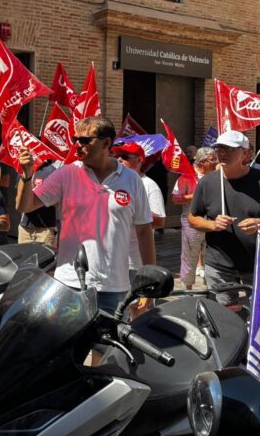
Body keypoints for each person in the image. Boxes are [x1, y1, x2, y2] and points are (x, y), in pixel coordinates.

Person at [16, 116, 155, 314]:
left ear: (107, 143)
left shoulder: (131, 179)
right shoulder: (66, 174)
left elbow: (144, 231)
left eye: (84, 140)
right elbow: (25, 206)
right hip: (69, 284)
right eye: (75, 140)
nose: (77, 146)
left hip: (114, 289)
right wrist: (26, 176)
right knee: (67, 344)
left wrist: (150, 280)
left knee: (107, 346)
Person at [188, 131, 260, 305]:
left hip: (258, 263)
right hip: (219, 264)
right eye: (219, 148)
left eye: (229, 149)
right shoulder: (207, 182)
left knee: (259, 311)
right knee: (226, 315)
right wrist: (211, 224)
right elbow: (193, 218)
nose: (222, 153)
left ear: (246, 153)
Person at [112, 142, 165, 279]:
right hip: (113, 260)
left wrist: (135, 214)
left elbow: (160, 221)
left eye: (124, 157)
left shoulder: (149, 185)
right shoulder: (115, 182)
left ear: (140, 160)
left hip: (135, 262)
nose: (119, 159)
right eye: (118, 156)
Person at [172, 147, 217, 289]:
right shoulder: (186, 177)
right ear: (202, 161)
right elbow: (175, 199)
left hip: (212, 221)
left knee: (214, 256)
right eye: (213, 159)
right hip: (191, 221)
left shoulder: (217, 177)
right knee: (190, 256)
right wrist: (196, 195)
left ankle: (213, 287)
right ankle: (188, 289)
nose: (216, 162)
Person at [17, 160, 60, 250]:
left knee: (45, 262)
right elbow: (18, 201)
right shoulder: (23, 170)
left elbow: (57, 202)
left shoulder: (52, 171)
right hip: (25, 228)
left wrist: (35, 198)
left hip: (46, 230)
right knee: (23, 262)